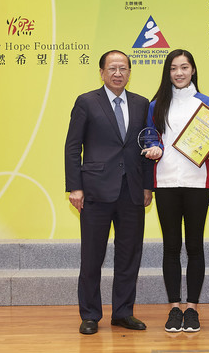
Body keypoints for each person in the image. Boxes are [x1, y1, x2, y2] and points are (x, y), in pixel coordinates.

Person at [64, 50, 155, 335]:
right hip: (94, 191)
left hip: (131, 192)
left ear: (130, 72)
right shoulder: (87, 102)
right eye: (112, 68)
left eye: (123, 68)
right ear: (102, 72)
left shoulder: (142, 104)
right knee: (92, 257)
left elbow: (147, 147)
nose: (118, 73)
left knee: (129, 256)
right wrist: (75, 186)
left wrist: (147, 186)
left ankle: (123, 313)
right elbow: (72, 147)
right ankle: (90, 314)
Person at [142, 49, 209, 332]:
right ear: (168, 72)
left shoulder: (207, 102)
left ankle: (193, 308)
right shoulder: (156, 104)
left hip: (197, 183)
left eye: (184, 67)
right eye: (174, 68)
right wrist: (153, 148)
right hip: (166, 183)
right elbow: (152, 137)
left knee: (195, 247)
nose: (179, 73)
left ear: (193, 70)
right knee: (171, 247)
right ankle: (174, 307)